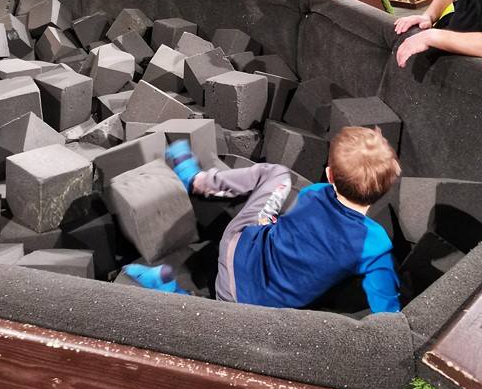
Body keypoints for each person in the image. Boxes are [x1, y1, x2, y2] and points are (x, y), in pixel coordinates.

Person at [125, 126, 401, 314]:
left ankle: (198, 180)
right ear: (384, 191)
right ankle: (171, 292)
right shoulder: (375, 245)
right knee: (220, 321)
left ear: (330, 175)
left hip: (236, 244)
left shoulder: (315, 192)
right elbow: (386, 309)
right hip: (248, 304)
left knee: (277, 175)